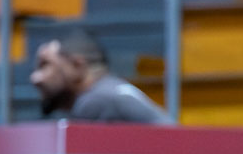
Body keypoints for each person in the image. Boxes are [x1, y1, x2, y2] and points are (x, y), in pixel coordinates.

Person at [29, 28, 170, 124]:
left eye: (45, 65)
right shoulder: (110, 90)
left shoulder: (94, 103)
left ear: (77, 66)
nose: (35, 78)